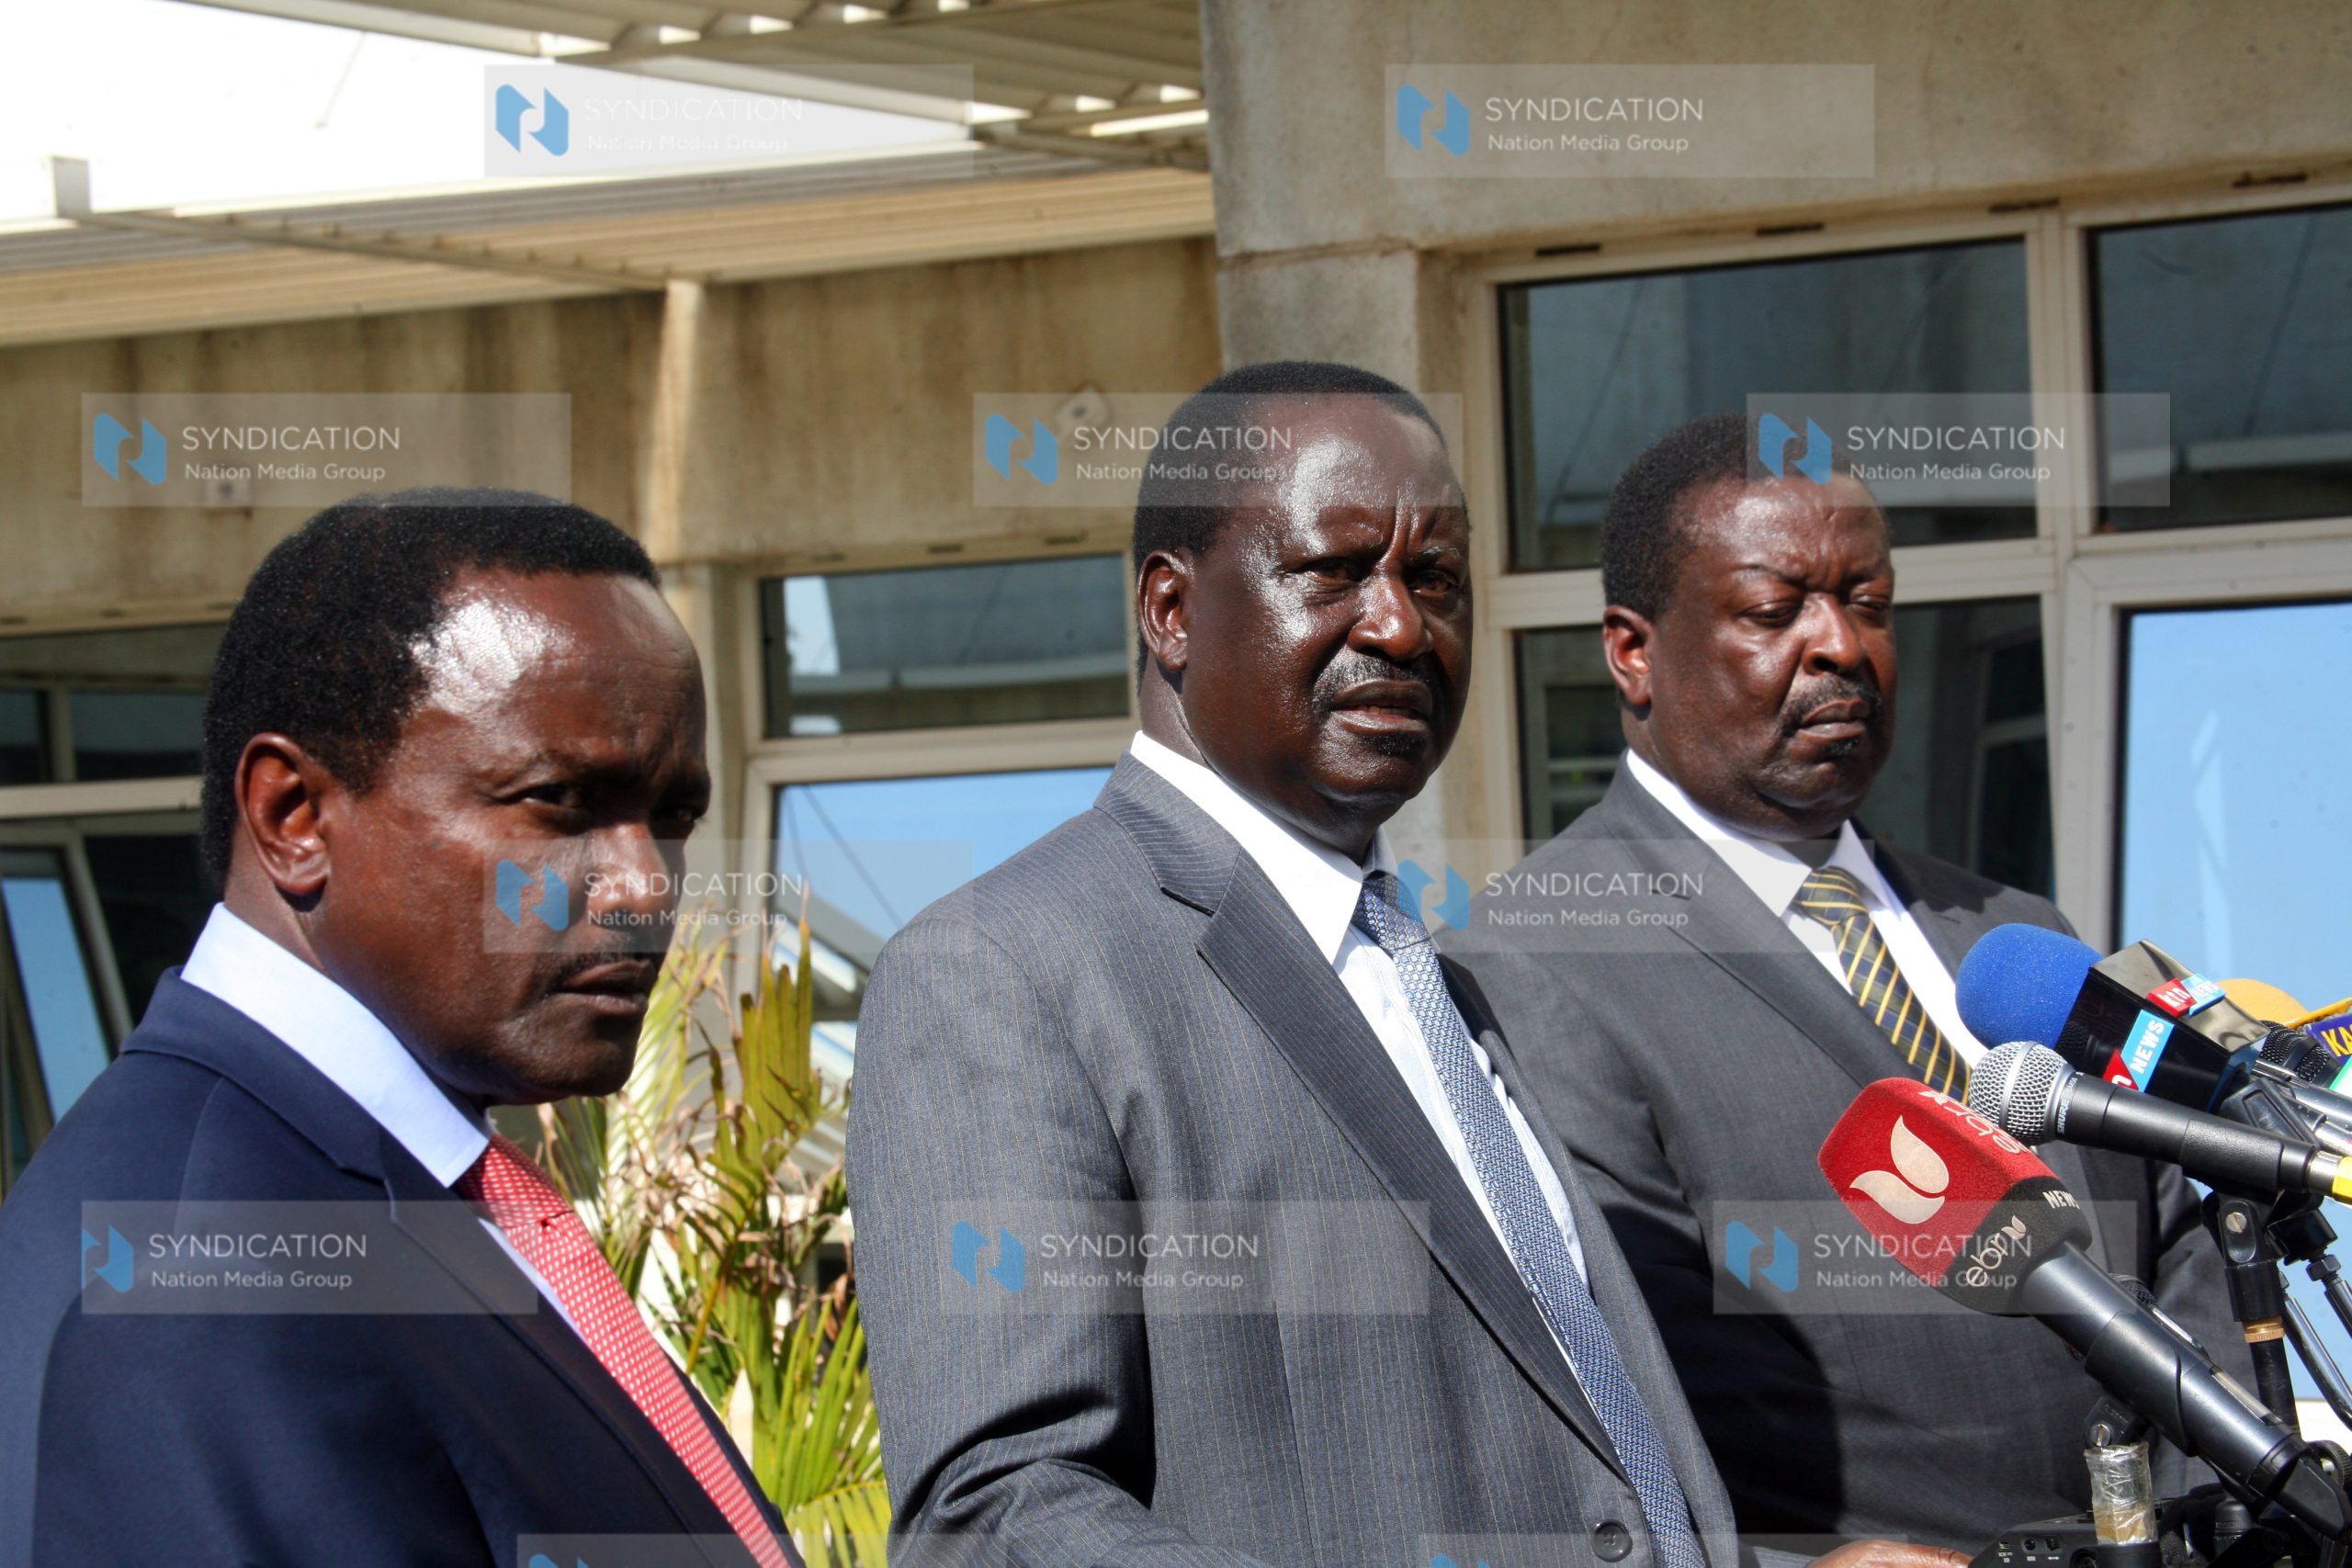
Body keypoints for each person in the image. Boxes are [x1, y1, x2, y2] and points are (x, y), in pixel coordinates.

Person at [848, 366, 1958, 1568]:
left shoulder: (1435, 979)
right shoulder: (1000, 970)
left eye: (1436, 580)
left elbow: (1563, 1458)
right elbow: (996, 1511)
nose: (1398, 625)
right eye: (1334, 570)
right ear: (1171, 610)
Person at [1446, 414, 2242, 1551]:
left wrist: (2203, 1511)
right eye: (1776, 611)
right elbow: (1601, 1379)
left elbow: (2180, 1228)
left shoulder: (2015, 935)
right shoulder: (1529, 963)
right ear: (1632, 651)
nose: (1839, 647)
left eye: (1868, 602)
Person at [0, 490, 798, 1568]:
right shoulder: (202, 1276)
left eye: (673, 816)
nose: (643, 886)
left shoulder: (393, 1193)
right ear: (294, 818)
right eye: (560, 801)